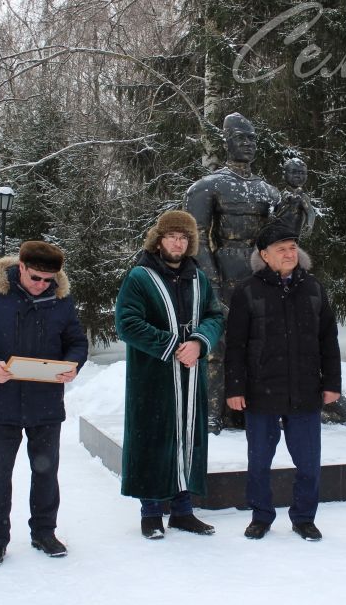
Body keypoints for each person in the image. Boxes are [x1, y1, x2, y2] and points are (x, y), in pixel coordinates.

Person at [0, 241, 88, 567]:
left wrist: (72, 364)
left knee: (46, 472)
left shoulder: (60, 300)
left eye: (49, 280)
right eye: (36, 278)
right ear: (21, 268)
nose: (42, 285)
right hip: (2, 401)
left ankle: (44, 531)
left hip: (45, 402)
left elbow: (76, 342)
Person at [225, 221, 341, 541]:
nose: (290, 253)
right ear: (264, 255)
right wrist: (235, 388)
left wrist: (332, 382)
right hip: (261, 391)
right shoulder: (247, 291)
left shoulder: (314, 288)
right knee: (259, 461)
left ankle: (304, 517)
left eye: (293, 247)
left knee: (308, 462)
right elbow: (235, 345)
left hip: (305, 390)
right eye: (281, 249)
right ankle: (261, 515)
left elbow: (328, 339)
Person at [115, 210, 225, 539]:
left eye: (183, 238)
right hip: (153, 374)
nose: (177, 243)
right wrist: (173, 344)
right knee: (152, 439)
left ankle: (182, 511)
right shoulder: (140, 276)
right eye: (171, 236)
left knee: (189, 438)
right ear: (158, 240)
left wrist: (199, 342)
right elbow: (127, 323)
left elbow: (214, 316)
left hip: (191, 375)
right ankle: (151, 513)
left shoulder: (198, 278)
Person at [185, 112, 282, 431]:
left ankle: (257, 405)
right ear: (226, 141)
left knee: (264, 342)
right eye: (241, 138)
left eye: (253, 139)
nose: (249, 145)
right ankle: (213, 409)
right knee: (221, 343)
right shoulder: (208, 187)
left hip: (263, 272)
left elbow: (283, 238)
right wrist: (211, 279)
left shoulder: (269, 192)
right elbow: (196, 236)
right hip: (226, 268)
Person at [275, 157, 316, 234]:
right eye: (294, 172)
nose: (298, 176)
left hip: (293, 235)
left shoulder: (303, 197)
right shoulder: (279, 195)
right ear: (284, 174)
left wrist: (309, 225)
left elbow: (310, 213)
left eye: (302, 173)